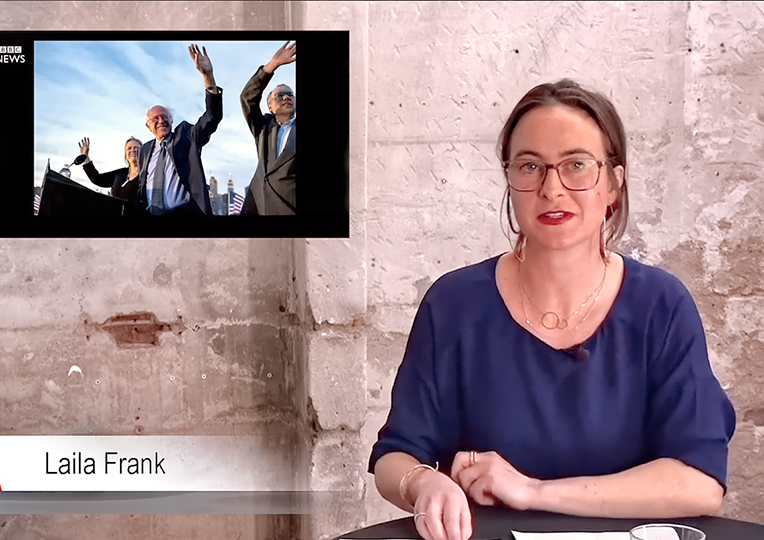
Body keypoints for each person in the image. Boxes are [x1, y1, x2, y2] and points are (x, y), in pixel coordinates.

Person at [369, 79, 736, 540]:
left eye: (576, 165)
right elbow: (396, 456)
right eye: (530, 167)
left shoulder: (661, 305)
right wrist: (423, 483)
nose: (551, 188)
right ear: (510, 181)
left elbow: (699, 482)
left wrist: (532, 491)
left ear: (614, 183)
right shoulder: (454, 304)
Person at [135, 43, 222, 217]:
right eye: (155, 119)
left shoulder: (186, 136)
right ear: (148, 126)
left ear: (172, 120)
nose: (161, 121)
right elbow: (142, 185)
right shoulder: (144, 150)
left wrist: (208, 77)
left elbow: (212, 117)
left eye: (165, 117)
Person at [240, 41, 296, 216]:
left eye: (290, 94)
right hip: (260, 207)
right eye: (280, 95)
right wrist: (272, 65)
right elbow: (247, 98)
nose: (286, 97)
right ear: (270, 107)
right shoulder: (263, 127)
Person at [77, 136, 142, 205]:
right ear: (126, 155)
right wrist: (85, 157)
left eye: (136, 148)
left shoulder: (147, 174)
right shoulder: (121, 173)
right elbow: (97, 179)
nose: (133, 150)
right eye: (129, 148)